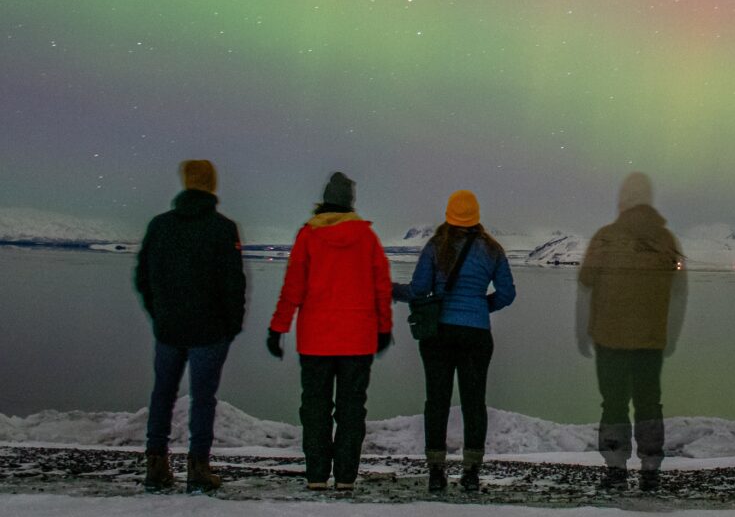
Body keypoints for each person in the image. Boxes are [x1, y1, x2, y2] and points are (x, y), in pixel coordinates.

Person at [267, 172, 392, 491]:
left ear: (324, 199)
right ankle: (346, 477)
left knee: (315, 408)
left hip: (315, 341)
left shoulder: (308, 236)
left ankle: (317, 475)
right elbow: (381, 287)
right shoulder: (367, 238)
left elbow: (292, 287)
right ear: (351, 202)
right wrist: (384, 327)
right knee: (352, 411)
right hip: (358, 339)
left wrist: (278, 327)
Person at [393, 190, 516, 493]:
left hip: (439, 335)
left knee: (437, 401)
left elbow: (420, 290)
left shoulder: (436, 246)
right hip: (476, 335)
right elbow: (507, 294)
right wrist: (480, 306)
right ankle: (472, 472)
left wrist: (392, 290)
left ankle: (436, 471)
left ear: (449, 214)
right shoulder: (492, 250)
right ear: (476, 216)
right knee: (474, 403)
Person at [135, 159, 246, 494]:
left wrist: (160, 314)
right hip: (210, 332)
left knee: (162, 394)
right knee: (203, 398)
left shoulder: (160, 226)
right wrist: (231, 326)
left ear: (185, 183)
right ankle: (198, 467)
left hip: (169, 329)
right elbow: (233, 285)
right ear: (211, 185)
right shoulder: (222, 228)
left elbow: (143, 278)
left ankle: (156, 466)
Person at [576, 172, 687, 492]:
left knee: (613, 403)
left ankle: (615, 468)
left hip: (608, 338)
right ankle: (651, 467)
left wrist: (582, 333)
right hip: (652, 341)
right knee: (650, 402)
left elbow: (585, 287)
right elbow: (680, 293)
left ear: (622, 200)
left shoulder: (604, 238)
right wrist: (672, 335)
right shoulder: (667, 242)